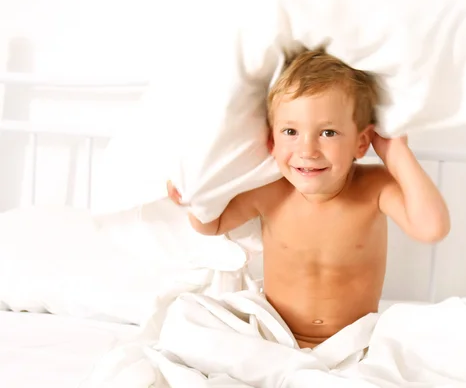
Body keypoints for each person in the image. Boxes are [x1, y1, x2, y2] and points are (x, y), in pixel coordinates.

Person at [167, 48, 450, 349]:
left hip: (353, 342)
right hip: (276, 336)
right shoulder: (270, 191)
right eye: (291, 131)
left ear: (361, 141)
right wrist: (196, 199)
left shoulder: (374, 188)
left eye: (328, 132)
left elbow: (431, 228)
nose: (308, 150)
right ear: (271, 141)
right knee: (188, 319)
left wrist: (396, 153)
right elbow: (212, 225)